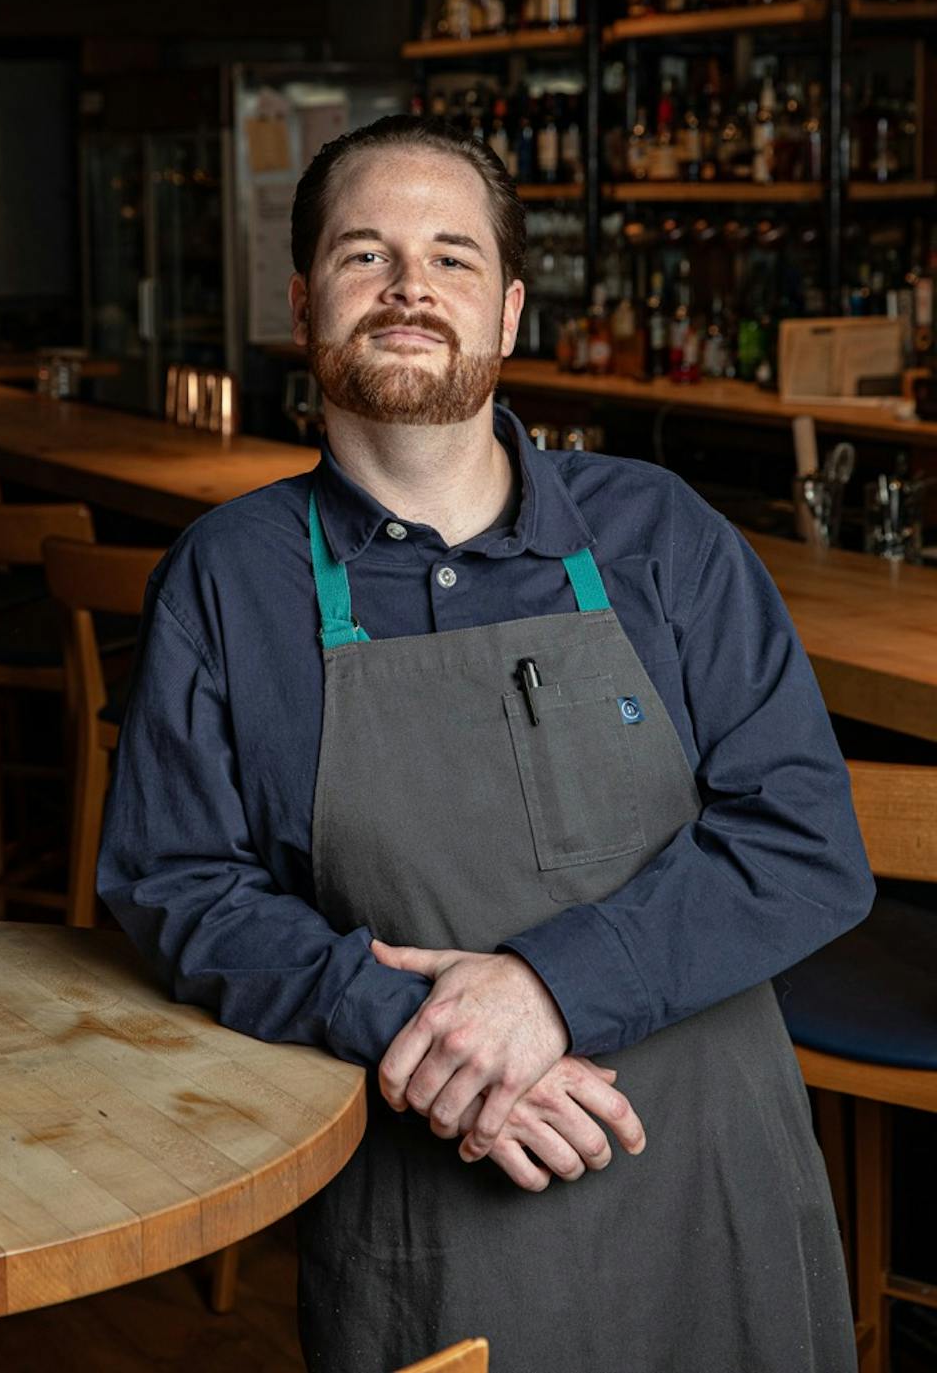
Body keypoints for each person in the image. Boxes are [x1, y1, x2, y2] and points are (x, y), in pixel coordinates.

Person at [99, 114, 873, 1373]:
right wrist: (418, 1023)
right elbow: (176, 880)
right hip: (437, 1190)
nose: (410, 287)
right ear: (303, 303)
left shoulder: (661, 536)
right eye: (366, 255)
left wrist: (547, 990)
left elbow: (807, 843)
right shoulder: (225, 579)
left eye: (452, 257)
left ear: (509, 313)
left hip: (705, 1173)